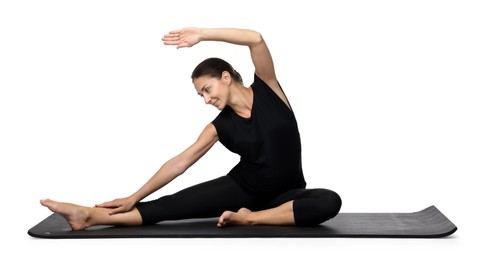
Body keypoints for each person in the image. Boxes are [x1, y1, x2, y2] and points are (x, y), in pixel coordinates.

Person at [40, 27, 342, 231]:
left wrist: (202, 34)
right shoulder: (219, 125)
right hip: (242, 188)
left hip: (286, 197)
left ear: (226, 77)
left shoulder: (268, 89)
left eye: (207, 89)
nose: (207, 99)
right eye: (201, 95)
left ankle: (250, 220)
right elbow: (181, 162)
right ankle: (87, 216)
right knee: (166, 208)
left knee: (329, 202)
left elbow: (256, 39)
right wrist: (135, 194)